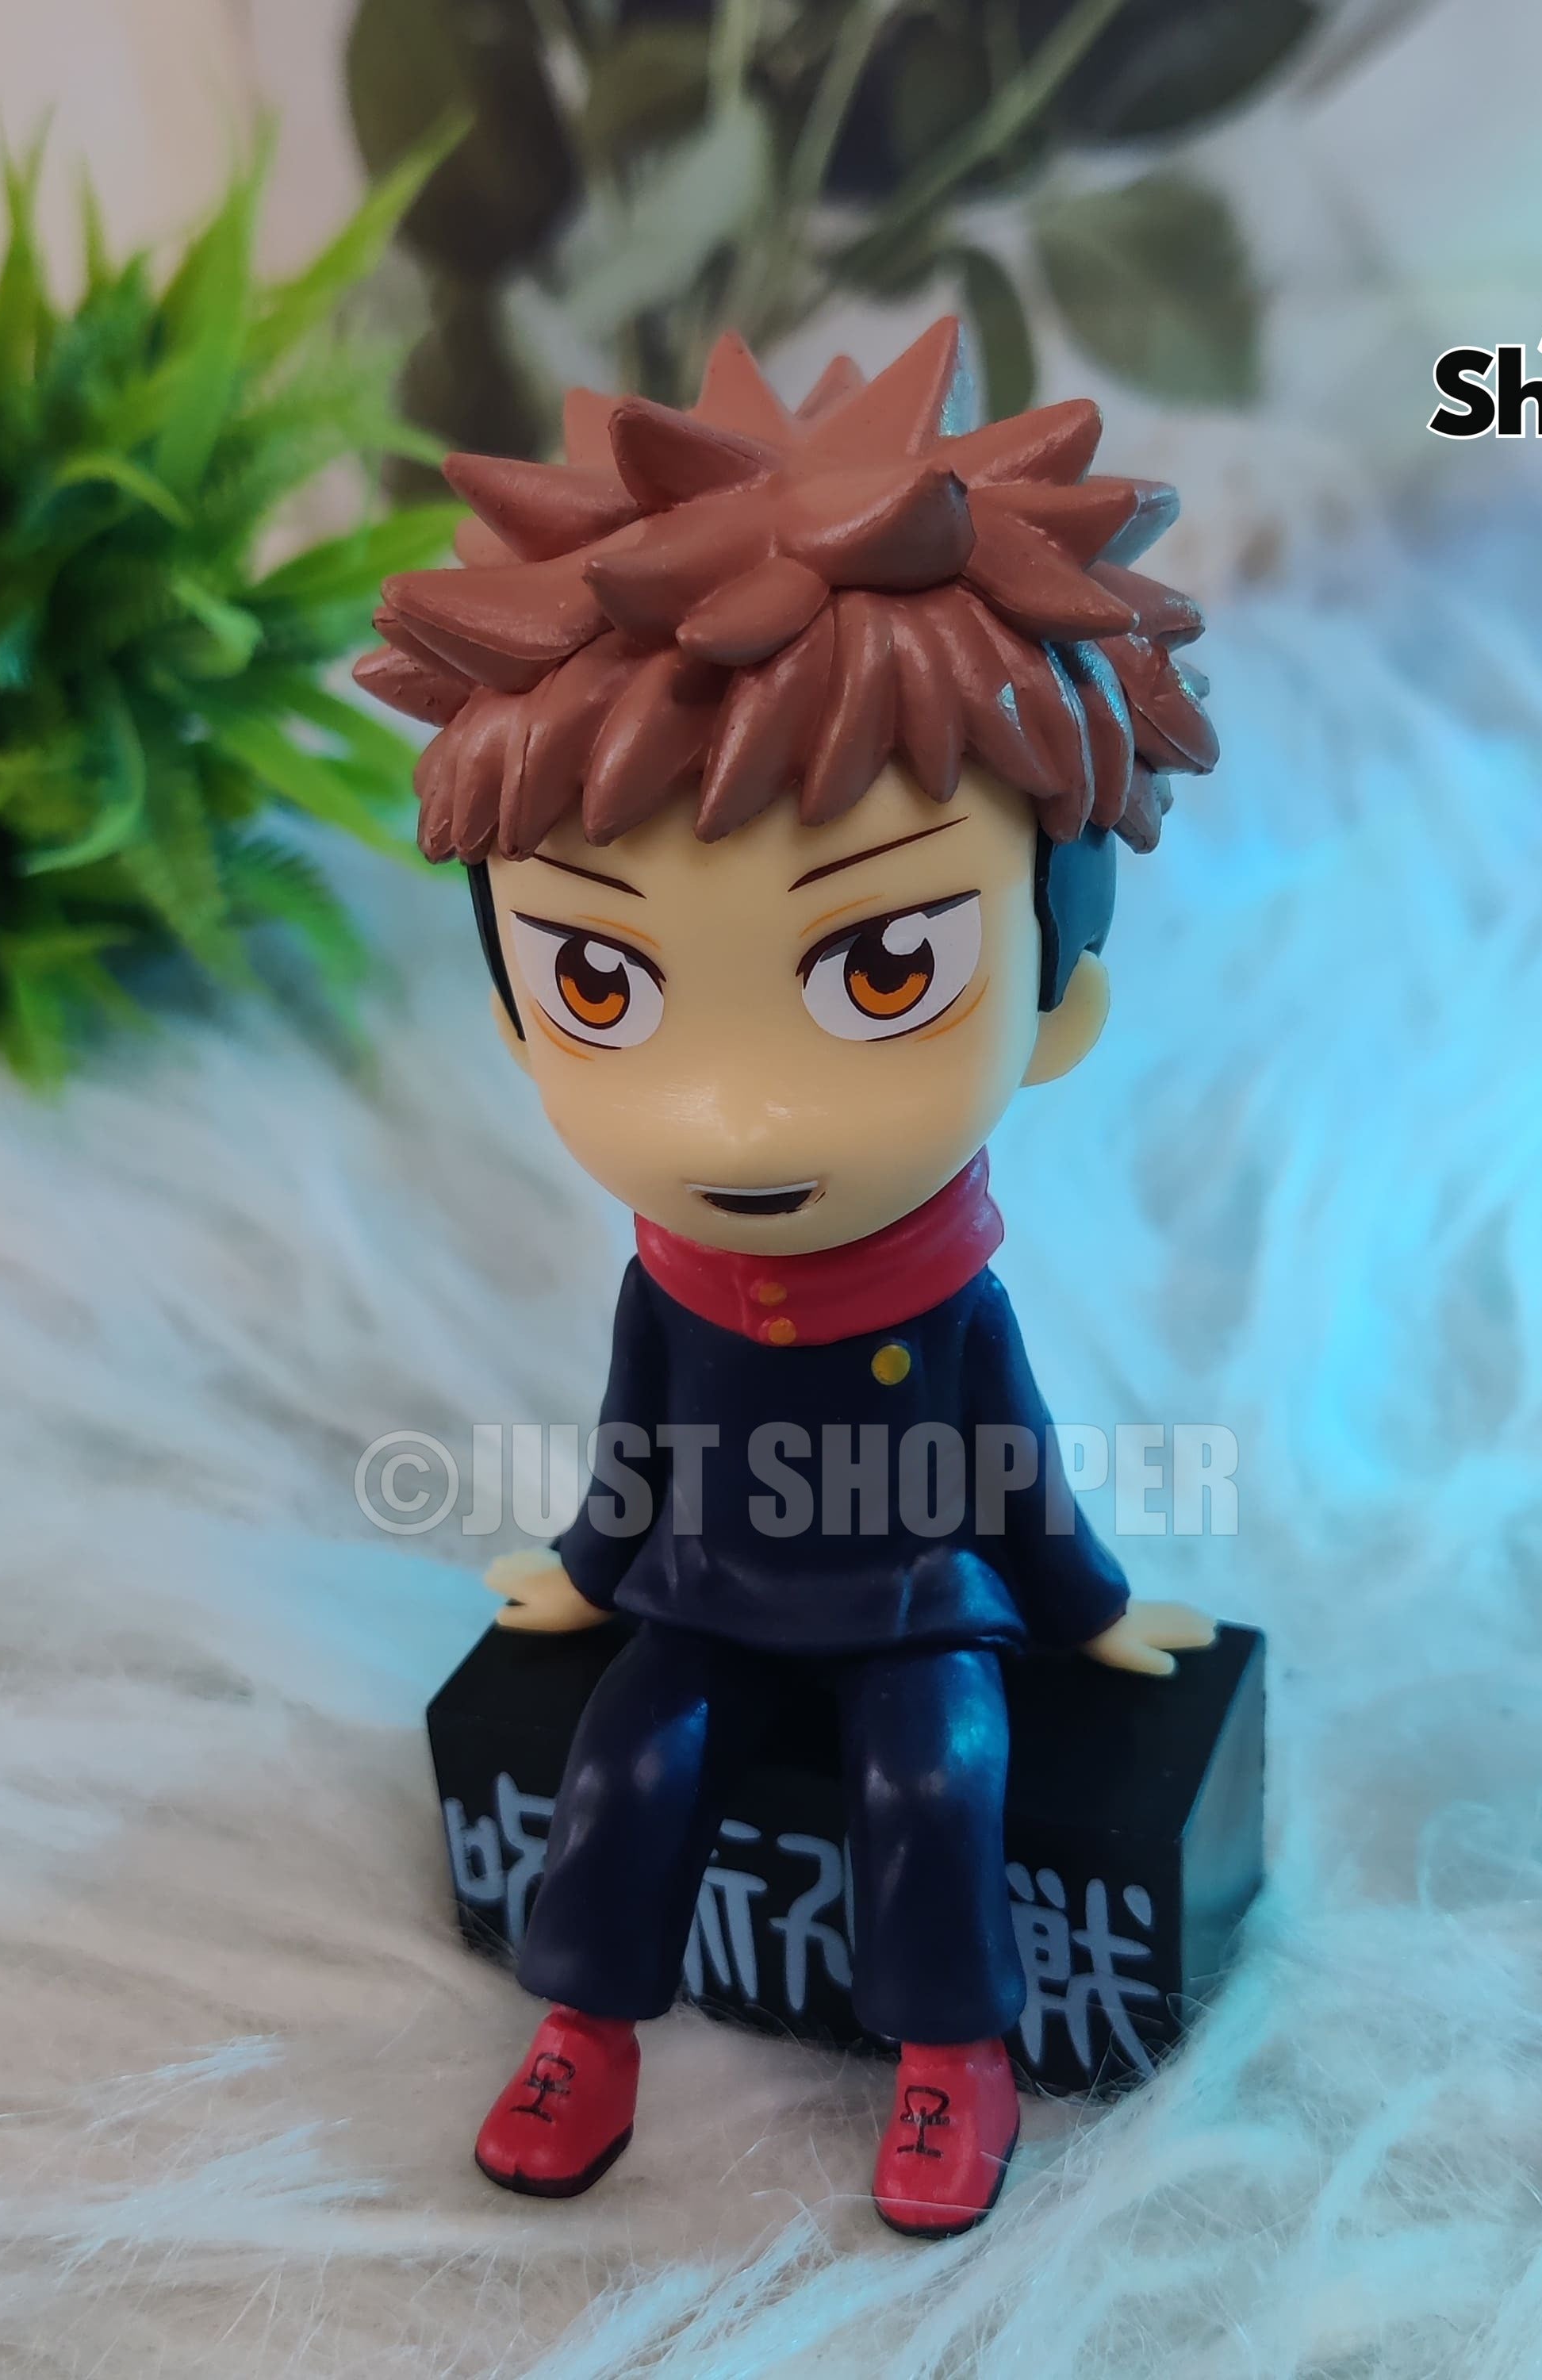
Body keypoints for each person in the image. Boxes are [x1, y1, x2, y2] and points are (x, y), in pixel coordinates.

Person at [355, 317, 1218, 2236]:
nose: (734, 1119)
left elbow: (1013, 1465)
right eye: (601, 981)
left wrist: (1083, 1608)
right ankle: (585, 2028)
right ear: (513, 1006)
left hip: (912, 1607)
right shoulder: (670, 1283)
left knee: (938, 1785)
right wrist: (590, 1575)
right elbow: (640, 1445)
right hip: (708, 1603)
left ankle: (954, 2057)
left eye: (887, 968)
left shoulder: (947, 1299)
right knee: (625, 1764)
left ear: (1054, 997)